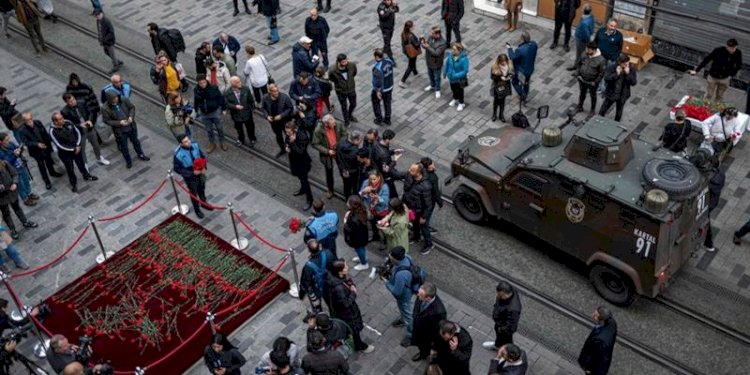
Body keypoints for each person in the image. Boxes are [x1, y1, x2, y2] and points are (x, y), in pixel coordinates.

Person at [325, 259, 375, 353]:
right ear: (340, 271)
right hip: (348, 313)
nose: (347, 267)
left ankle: (347, 336)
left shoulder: (336, 278)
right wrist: (353, 293)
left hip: (341, 312)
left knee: (350, 328)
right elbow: (346, 303)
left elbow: (347, 282)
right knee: (354, 328)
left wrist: (351, 285)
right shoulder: (339, 288)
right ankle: (359, 345)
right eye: (345, 267)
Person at [48, 112, 98, 193]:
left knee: (81, 164)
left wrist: (78, 145)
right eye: (60, 119)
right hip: (65, 153)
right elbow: (59, 145)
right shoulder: (52, 131)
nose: (63, 120)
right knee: (70, 169)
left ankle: (87, 176)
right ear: (55, 122)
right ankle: (73, 184)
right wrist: (73, 149)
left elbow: (77, 132)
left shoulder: (68, 122)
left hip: (76, 148)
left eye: (62, 117)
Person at [101, 91, 150, 169]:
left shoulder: (123, 99)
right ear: (110, 99)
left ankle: (141, 154)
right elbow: (107, 120)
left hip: (131, 127)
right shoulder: (105, 108)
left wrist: (131, 117)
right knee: (124, 147)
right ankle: (128, 161)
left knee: (136, 142)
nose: (116, 99)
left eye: (116, 97)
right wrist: (119, 123)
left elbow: (132, 107)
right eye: (114, 98)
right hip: (120, 131)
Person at [61, 93, 110, 167]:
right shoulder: (64, 111)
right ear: (66, 102)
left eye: (73, 99)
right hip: (79, 133)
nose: (73, 102)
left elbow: (90, 112)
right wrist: (79, 125)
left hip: (89, 128)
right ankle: (85, 164)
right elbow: (68, 124)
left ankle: (99, 158)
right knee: (82, 150)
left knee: (96, 144)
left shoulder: (81, 102)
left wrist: (90, 120)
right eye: (70, 101)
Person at [17, 112, 63, 190]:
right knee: (42, 166)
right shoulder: (21, 131)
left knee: (49, 161)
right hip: (36, 151)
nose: (30, 121)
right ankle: (47, 182)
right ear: (24, 121)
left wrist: (50, 142)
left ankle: (52, 172)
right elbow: (26, 142)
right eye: (28, 120)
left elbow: (44, 133)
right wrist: (37, 144)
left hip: (46, 146)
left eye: (31, 119)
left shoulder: (37, 122)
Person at [172, 134, 212, 219]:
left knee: (202, 189)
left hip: (200, 172)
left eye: (188, 140)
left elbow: (202, 156)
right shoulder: (178, 154)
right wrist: (192, 173)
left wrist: (204, 167)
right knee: (193, 193)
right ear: (181, 144)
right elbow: (177, 169)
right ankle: (197, 210)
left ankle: (204, 203)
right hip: (190, 176)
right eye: (185, 142)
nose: (188, 142)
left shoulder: (195, 145)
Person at [382, 246, 414, 347]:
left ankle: (411, 334)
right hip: (408, 288)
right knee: (403, 310)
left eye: (390, 255)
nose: (389, 256)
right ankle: (402, 318)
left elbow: (397, 292)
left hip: (404, 295)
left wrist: (386, 283)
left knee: (407, 313)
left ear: (395, 258)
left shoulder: (401, 275)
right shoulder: (407, 257)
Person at [312, 114, 347, 199]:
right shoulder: (318, 130)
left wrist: (339, 145)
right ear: (326, 124)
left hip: (339, 151)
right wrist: (327, 151)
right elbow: (315, 144)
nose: (334, 123)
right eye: (332, 123)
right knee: (329, 172)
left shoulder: (338, 124)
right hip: (327, 154)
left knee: (343, 169)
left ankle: (347, 190)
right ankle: (330, 189)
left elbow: (345, 134)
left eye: (334, 121)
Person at [402, 163, 434, 254]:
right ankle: (416, 237)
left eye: (412, 170)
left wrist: (424, 217)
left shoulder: (426, 186)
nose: (409, 171)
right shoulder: (410, 176)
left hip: (420, 211)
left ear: (418, 173)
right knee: (414, 223)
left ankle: (429, 244)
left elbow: (428, 204)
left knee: (424, 228)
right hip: (412, 208)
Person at [410, 282, 447, 362]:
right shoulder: (422, 294)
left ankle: (423, 354)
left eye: (420, 296)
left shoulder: (440, 312)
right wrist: (415, 315)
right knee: (419, 343)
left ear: (428, 298)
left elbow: (440, 329)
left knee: (424, 346)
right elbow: (417, 306)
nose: (418, 296)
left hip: (427, 335)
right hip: (419, 327)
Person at [0, 132, 37, 206]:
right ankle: (25, 198)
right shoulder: (1, 152)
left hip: (21, 165)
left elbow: (17, 148)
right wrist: (15, 155)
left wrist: (21, 148)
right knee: (20, 185)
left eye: (8, 139)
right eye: (6, 140)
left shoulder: (10, 144)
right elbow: (7, 162)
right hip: (14, 170)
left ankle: (29, 193)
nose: (8, 141)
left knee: (26, 180)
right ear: (1, 142)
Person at [483, 281, 522, 350]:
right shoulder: (509, 291)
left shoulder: (513, 309)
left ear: (505, 295)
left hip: (504, 327)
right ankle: (498, 345)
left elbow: (511, 325)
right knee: (500, 337)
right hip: (500, 323)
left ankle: (507, 352)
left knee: (507, 340)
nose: (498, 296)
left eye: (500, 295)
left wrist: (501, 329)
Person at [578, 306, 617, 375]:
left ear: (602, 319)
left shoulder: (600, 341)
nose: (592, 315)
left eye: (596, 315)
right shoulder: (611, 323)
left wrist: (588, 368)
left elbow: (597, 358)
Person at [299, 239, 336, 312]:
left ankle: (319, 314)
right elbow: (335, 267)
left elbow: (305, 283)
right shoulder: (328, 253)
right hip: (330, 285)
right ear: (320, 246)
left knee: (316, 305)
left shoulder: (308, 266)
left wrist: (301, 295)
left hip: (317, 289)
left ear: (309, 250)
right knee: (331, 304)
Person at [194, 74, 227, 153]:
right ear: (198, 83)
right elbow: (196, 100)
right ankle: (212, 143)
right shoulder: (196, 90)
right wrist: (195, 109)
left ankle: (222, 141)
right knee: (209, 129)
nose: (202, 84)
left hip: (215, 111)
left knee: (219, 128)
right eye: (200, 83)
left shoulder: (213, 88)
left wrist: (224, 108)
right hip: (204, 113)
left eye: (204, 82)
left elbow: (220, 98)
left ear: (206, 81)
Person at [598, 53, 637, 122]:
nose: (626, 65)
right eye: (624, 64)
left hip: (622, 94)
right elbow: (606, 78)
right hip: (611, 93)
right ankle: (598, 120)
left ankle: (616, 124)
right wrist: (616, 74)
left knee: (619, 111)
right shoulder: (612, 67)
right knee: (603, 109)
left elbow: (633, 83)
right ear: (619, 63)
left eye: (627, 63)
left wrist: (628, 74)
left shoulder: (630, 68)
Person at [285, 122, 314, 211]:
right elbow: (286, 141)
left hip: (302, 161)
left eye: (289, 132)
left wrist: (293, 143)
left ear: (295, 130)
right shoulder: (289, 134)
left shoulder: (303, 136)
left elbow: (301, 151)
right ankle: (302, 189)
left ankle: (310, 199)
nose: (287, 134)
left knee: (304, 179)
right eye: (286, 132)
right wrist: (287, 146)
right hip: (293, 160)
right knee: (295, 173)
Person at [262, 84, 296, 158]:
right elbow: (263, 108)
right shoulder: (265, 98)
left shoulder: (284, 97)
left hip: (285, 122)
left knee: (289, 136)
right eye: (274, 91)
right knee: (278, 136)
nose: (277, 93)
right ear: (270, 92)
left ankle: (292, 149)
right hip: (274, 122)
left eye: (277, 90)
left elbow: (290, 108)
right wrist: (267, 116)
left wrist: (281, 115)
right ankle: (282, 149)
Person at [699, 155, 724, 253]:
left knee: (705, 221)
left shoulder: (710, 181)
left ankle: (708, 243)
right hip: (712, 202)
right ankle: (708, 243)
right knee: (706, 220)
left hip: (707, 204)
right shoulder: (720, 174)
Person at [66, 74, 102, 139]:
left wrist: (97, 109)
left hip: (90, 109)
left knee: (93, 124)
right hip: (80, 111)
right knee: (88, 126)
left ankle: (97, 138)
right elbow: (68, 99)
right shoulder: (69, 88)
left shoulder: (86, 87)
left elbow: (93, 98)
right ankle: (96, 139)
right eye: (73, 82)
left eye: (75, 82)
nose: (75, 83)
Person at [575, 41, 606, 115]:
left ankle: (592, 110)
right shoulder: (584, 54)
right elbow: (579, 63)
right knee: (582, 93)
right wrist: (578, 73)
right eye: (586, 48)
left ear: (594, 50)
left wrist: (595, 82)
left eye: (588, 49)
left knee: (593, 96)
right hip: (582, 79)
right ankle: (580, 106)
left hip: (592, 82)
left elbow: (602, 73)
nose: (586, 50)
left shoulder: (601, 60)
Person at [224, 76, 256, 147]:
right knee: (239, 129)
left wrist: (252, 108)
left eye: (240, 81)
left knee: (250, 128)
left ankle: (252, 138)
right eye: (238, 82)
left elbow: (251, 100)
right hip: (236, 115)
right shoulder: (227, 93)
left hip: (247, 114)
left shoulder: (245, 89)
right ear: (233, 84)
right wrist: (235, 107)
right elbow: (226, 104)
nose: (240, 83)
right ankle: (241, 139)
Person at [508, 31, 538, 105]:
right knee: (526, 83)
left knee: (514, 82)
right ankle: (525, 95)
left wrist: (509, 48)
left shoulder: (520, 50)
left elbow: (512, 57)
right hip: (530, 69)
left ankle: (523, 95)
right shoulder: (534, 45)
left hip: (521, 71)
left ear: (522, 38)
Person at [328, 54, 358, 127]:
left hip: (351, 89)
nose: (345, 63)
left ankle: (350, 115)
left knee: (353, 104)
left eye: (346, 61)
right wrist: (339, 84)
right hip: (341, 91)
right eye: (343, 62)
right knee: (344, 106)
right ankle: (346, 121)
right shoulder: (333, 70)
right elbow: (331, 78)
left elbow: (354, 73)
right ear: (339, 62)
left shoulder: (352, 65)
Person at [594, 18, 623, 91]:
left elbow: (620, 48)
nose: (613, 28)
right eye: (611, 26)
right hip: (600, 58)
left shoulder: (619, 35)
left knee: (607, 74)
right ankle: (596, 86)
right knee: (598, 72)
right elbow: (595, 41)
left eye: (615, 26)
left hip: (610, 59)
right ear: (607, 25)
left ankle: (603, 88)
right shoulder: (600, 31)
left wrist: (614, 58)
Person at [359, 170, 389, 242]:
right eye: (370, 179)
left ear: (379, 177)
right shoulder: (366, 183)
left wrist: (377, 198)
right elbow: (360, 195)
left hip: (380, 210)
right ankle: (376, 236)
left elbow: (385, 201)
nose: (372, 181)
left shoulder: (384, 187)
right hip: (369, 209)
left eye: (374, 179)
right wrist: (364, 191)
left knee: (382, 226)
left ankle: (385, 240)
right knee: (372, 224)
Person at [289, 72, 321, 137]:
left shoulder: (313, 81)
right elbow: (291, 93)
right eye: (302, 82)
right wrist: (298, 97)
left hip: (311, 105)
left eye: (305, 82)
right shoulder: (294, 82)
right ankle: (304, 135)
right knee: (300, 121)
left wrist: (309, 97)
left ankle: (312, 136)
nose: (303, 83)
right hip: (300, 104)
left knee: (311, 123)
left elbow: (318, 93)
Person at [343, 195, 369, 270]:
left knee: (359, 249)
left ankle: (364, 263)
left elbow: (350, 231)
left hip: (357, 238)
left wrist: (345, 222)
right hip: (362, 235)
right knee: (361, 248)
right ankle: (363, 257)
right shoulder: (362, 210)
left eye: (348, 202)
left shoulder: (354, 219)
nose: (347, 203)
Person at [371, 48, 395, 126]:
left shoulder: (378, 68)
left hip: (381, 89)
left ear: (377, 57)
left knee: (376, 103)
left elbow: (377, 82)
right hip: (390, 86)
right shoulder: (389, 61)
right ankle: (388, 119)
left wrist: (377, 91)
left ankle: (379, 119)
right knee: (387, 103)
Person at [443, 42, 469, 112]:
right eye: (453, 49)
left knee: (460, 91)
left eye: (454, 50)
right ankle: (455, 98)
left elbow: (465, 71)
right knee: (453, 89)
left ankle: (461, 103)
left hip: (459, 79)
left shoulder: (464, 59)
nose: (453, 51)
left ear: (459, 50)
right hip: (451, 78)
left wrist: (455, 75)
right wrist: (445, 73)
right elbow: (447, 64)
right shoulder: (451, 56)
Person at [422, 26, 447, 98]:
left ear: (437, 34)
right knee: (430, 75)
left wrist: (427, 47)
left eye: (433, 33)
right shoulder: (431, 37)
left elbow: (437, 53)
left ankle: (437, 89)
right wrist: (423, 42)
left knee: (437, 77)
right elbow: (425, 45)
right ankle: (432, 85)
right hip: (429, 61)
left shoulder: (442, 43)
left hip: (436, 63)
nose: (431, 34)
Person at [568, 3, 594, 71]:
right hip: (583, 39)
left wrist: (587, 41)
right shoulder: (591, 17)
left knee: (579, 55)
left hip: (581, 40)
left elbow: (586, 34)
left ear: (583, 10)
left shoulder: (584, 23)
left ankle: (578, 69)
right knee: (581, 54)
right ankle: (577, 66)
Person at [336, 131, 362, 198]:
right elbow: (357, 165)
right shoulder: (355, 151)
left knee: (346, 186)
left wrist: (342, 169)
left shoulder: (341, 141)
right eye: (360, 140)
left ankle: (348, 199)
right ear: (355, 140)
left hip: (343, 170)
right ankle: (355, 198)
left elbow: (337, 156)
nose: (360, 142)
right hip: (352, 173)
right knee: (354, 185)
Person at [421, 157, 443, 234]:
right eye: (432, 164)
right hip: (429, 201)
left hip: (421, 199)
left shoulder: (421, 172)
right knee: (426, 216)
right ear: (429, 167)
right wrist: (440, 203)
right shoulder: (433, 177)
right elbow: (435, 192)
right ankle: (425, 229)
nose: (433, 165)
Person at [490, 54, 513, 122]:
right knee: (496, 101)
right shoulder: (494, 67)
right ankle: (494, 114)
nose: (504, 63)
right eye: (502, 61)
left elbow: (513, 73)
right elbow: (492, 77)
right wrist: (499, 77)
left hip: (505, 86)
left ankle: (501, 115)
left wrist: (510, 76)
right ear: (499, 61)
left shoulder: (509, 66)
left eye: (505, 61)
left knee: (502, 101)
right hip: (497, 86)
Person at [399, 20, 420, 88]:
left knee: (412, 62)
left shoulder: (403, 33)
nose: (414, 26)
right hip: (412, 52)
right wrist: (421, 39)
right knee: (410, 66)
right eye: (413, 26)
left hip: (407, 51)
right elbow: (416, 45)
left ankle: (415, 72)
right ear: (410, 28)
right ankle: (402, 81)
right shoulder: (411, 35)